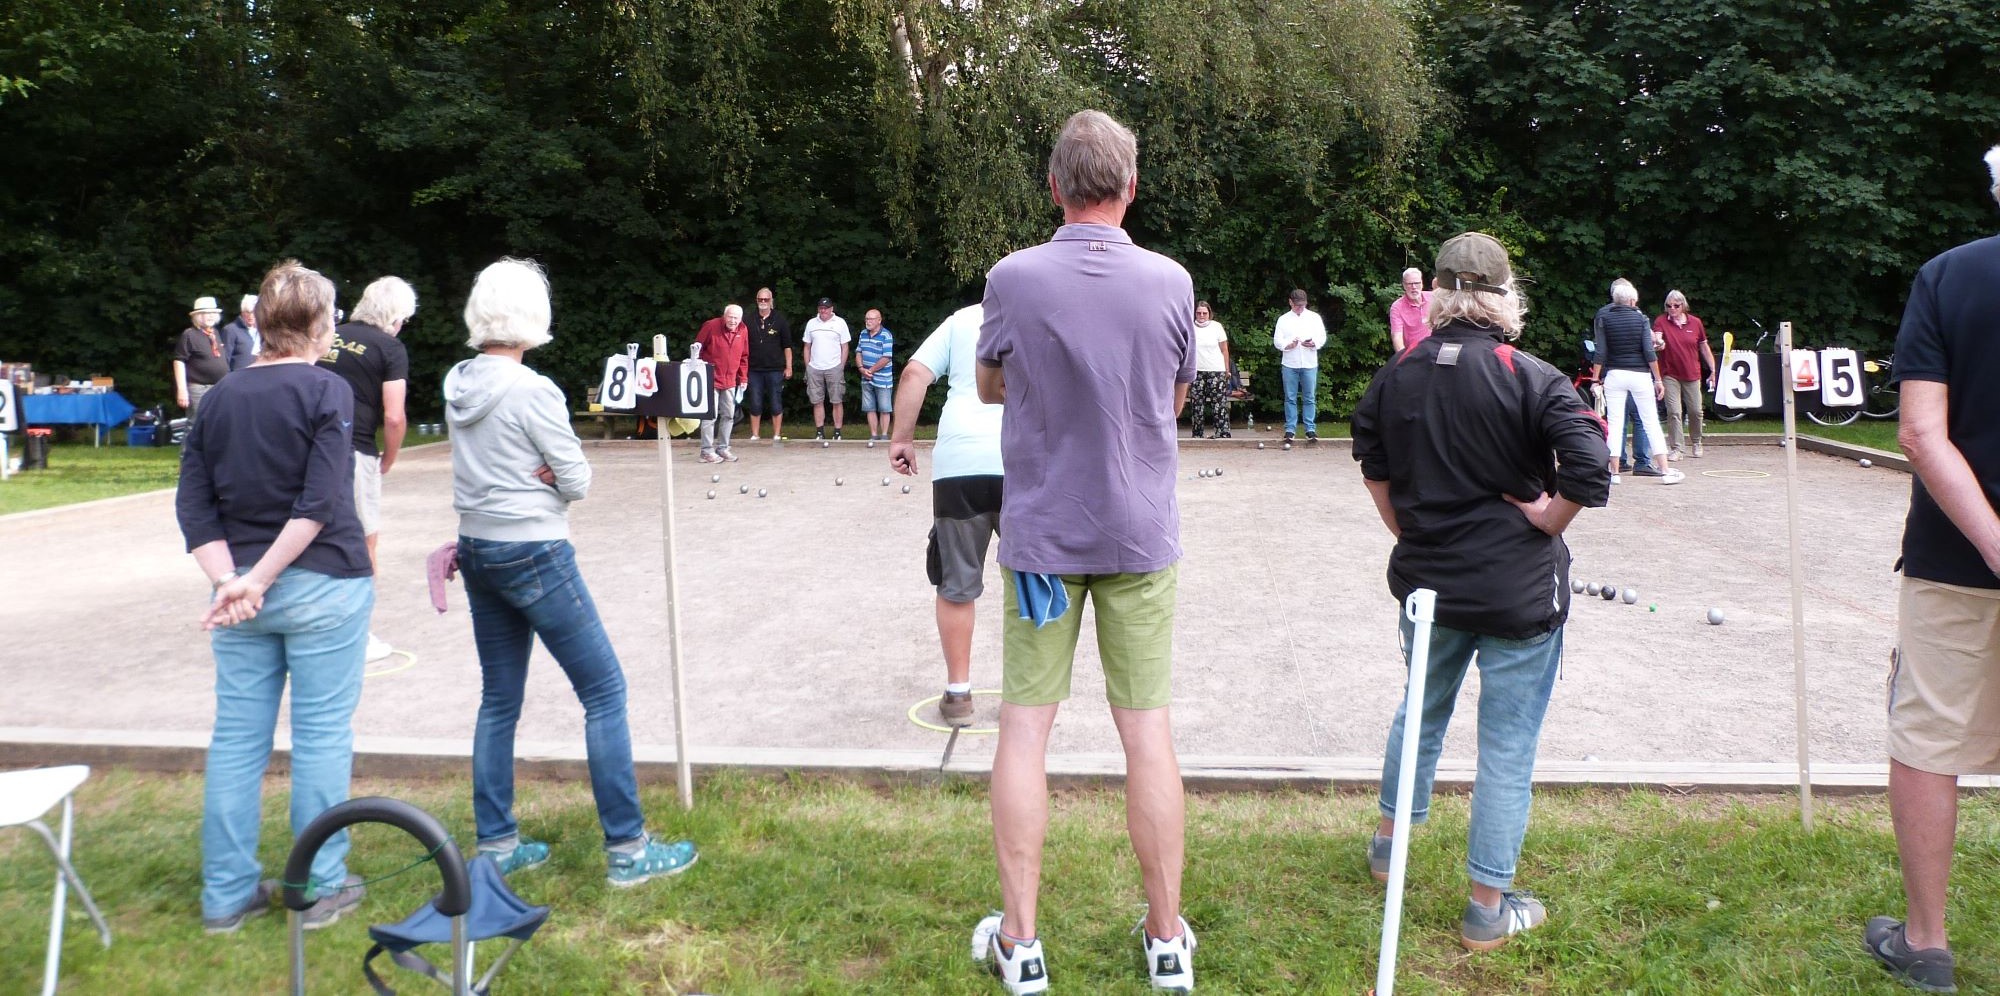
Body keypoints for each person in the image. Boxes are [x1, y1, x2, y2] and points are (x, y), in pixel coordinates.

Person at [972, 108, 1198, 995]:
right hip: (1141, 534)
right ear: (1131, 187)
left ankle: (1021, 944)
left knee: (1026, 729)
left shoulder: (1012, 278)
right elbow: (1172, 401)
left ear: (1056, 187)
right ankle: (1167, 938)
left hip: (1041, 539)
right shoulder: (1171, 281)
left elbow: (991, 382)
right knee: (1146, 732)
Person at [1351, 232, 1610, 953]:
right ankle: (1486, 908)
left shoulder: (1396, 373)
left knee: (1421, 714)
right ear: (1502, 297)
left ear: (1435, 293)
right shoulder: (1532, 375)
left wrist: (1405, 531)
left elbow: (1370, 459)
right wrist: (1547, 518)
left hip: (1430, 586)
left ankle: (1387, 848)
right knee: (1506, 748)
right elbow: (1591, 470)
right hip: (1514, 591)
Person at [444, 258, 698, 887]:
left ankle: (497, 844)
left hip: (477, 548)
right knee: (605, 691)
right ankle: (629, 848)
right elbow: (578, 481)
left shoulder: (457, 383)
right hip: (535, 551)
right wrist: (549, 478)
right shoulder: (534, 391)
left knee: (499, 699)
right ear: (533, 316)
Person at [176, 260, 374, 934]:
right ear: (321, 325)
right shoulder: (328, 390)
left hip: (238, 593)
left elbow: (193, 507)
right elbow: (320, 502)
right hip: (320, 585)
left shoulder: (221, 396)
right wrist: (251, 581)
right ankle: (318, 887)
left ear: (257, 321)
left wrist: (231, 579)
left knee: (236, 742)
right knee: (320, 737)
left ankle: (225, 896)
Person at [1861, 146, 2000, 995]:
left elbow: (1920, 431)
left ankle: (1926, 941)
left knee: (1928, 739)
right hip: (1959, 551)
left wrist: (1992, 538)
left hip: (1953, 554)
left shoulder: (1948, 276)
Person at [890, 302, 1002, 728]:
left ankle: (958, 693)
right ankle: (1028, 694)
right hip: (1025, 465)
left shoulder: (959, 320)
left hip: (960, 465)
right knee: (1030, 578)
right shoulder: (1041, 309)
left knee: (956, 584)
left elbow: (915, 373)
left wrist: (901, 438)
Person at [320, 276, 415, 663]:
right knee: (363, 540)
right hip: (353, 449)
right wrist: (388, 458)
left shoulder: (329, 334)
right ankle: (356, 632)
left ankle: (316, 624)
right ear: (396, 317)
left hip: (309, 446)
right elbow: (394, 416)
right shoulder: (389, 347)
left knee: (312, 535)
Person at [1591, 278, 1683, 485]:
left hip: (1614, 375)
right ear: (1632, 300)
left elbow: (1601, 351)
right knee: (1650, 421)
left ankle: (1614, 473)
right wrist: (1658, 379)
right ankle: (1665, 471)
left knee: (1614, 423)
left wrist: (1595, 379)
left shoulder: (1605, 318)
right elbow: (1649, 352)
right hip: (1640, 375)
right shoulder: (1640, 319)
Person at [1653, 290, 1715, 460]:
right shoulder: (1661, 321)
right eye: (1668, 305)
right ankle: (1677, 448)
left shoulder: (1695, 323)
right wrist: (1658, 342)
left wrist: (1713, 369)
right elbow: (1657, 337)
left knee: (1695, 411)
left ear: (1683, 306)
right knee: (1674, 412)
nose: (1671, 309)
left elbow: (1703, 347)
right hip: (1669, 373)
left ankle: (1696, 442)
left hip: (1692, 373)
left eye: (1675, 306)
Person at [694, 303, 749, 463]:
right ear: (724, 316)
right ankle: (706, 451)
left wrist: (743, 378)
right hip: (711, 378)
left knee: (729, 416)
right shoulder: (711, 326)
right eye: (730, 317)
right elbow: (697, 349)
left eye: (736, 318)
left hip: (730, 380)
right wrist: (700, 369)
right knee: (709, 416)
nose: (733, 321)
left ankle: (723, 448)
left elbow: (744, 356)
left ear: (741, 319)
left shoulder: (743, 330)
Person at [1272, 288, 1325, 442]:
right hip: (1290, 363)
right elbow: (1277, 341)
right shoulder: (1283, 319)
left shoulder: (1314, 318)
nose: (1300, 308)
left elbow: (1321, 337)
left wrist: (1313, 343)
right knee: (1290, 397)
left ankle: (1310, 429)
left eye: (1302, 305)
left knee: (1309, 397)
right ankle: (1290, 429)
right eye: (1297, 305)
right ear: (1290, 302)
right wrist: (1288, 345)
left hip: (1309, 363)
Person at [744, 287, 792, 441]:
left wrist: (789, 366)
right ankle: (755, 434)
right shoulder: (748, 319)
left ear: (771, 301)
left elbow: (787, 346)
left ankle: (777, 434)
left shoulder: (780, 320)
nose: (763, 302)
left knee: (776, 402)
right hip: (754, 369)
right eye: (760, 299)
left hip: (775, 369)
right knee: (755, 402)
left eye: (766, 299)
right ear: (756, 301)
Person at [174, 296, 230, 421]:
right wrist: (182, 390)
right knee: (196, 425)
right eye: (206, 313)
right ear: (198, 316)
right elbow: (179, 361)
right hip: (199, 389)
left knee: (216, 424)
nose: (210, 316)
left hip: (219, 387)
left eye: (212, 313)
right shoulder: (189, 334)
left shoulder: (214, 333)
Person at [802, 297, 851, 439]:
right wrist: (808, 366)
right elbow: (807, 346)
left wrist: (841, 366)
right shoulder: (811, 323)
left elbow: (845, 346)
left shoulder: (840, 323)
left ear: (831, 309)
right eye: (821, 308)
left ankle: (837, 432)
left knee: (837, 400)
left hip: (834, 366)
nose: (823, 311)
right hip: (814, 367)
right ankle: (819, 432)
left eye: (826, 308)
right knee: (816, 401)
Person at [1189, 300, 1232, 438]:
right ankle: (1197, 434)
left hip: (1216, 370)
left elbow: (1224, 350)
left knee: (1219, 404)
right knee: (1196, 406)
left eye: (1204, 313)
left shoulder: (1217, 327)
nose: (1201, 315)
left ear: (1209, 314)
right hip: (1196, 371)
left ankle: (1222, 433)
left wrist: (1227, 370)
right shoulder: (1189, 327)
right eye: (1198, 313)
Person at [856, 309, 896, 440]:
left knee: (885, 408)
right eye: (867, 319)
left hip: (883, 378)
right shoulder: (863, 333)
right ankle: (873, 435)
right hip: (866, 377)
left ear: (879, 320)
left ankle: (884, 435)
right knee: (869, 408)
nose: (868, 321)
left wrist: (870, 370)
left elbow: (886, 358)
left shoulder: (886, 335)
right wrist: (861, 368)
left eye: (871, 319)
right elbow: (858, 352)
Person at [1388, 267, 1432, 353]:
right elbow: (1397, 337)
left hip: (1435, 351)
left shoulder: (1433, 298)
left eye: (1417, 283)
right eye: (1410, 284)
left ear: (1422, 283)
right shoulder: (1397, 307)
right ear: (1404, 285)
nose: (1414, 287)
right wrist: (1403, 359)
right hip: (1414, 355)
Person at [220, 295, 261, 372]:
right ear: (242, 312)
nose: (251, 316)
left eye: (254, 312)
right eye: (247, 312)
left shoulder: (263, 331)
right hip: (238, 378)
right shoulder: (231, 330)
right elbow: (225, 359)